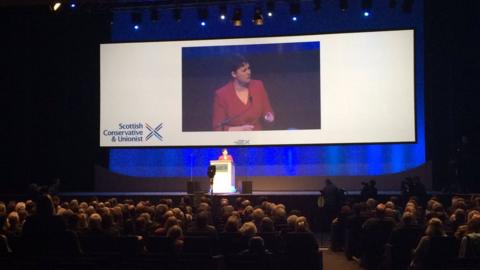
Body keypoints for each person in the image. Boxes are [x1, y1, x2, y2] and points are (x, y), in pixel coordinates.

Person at [212, 55, 274, 131]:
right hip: (234, 139)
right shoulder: (222, 94)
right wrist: (239, 130)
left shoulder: (258, 86)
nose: (248, 72)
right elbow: (217, 127)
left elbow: (267, 111)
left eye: (248, 68)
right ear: (234, 74)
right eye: (244, 70)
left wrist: (269, 117)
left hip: (256, 137)